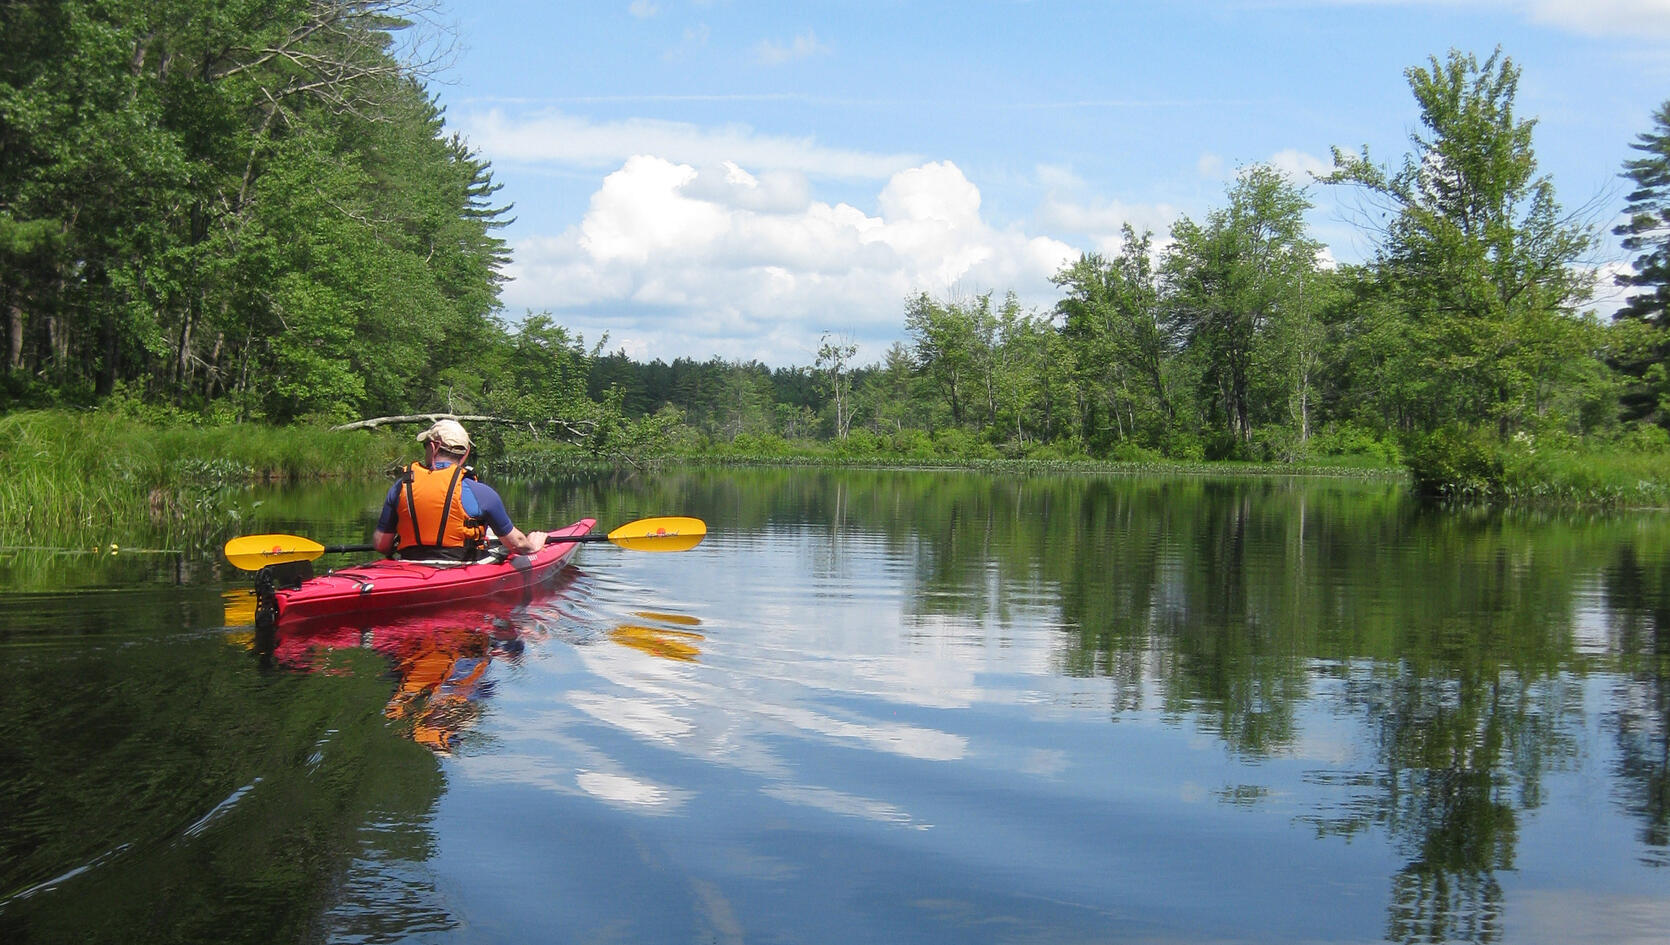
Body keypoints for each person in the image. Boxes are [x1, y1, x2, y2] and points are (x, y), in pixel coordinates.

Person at [372, 419, 547, 560]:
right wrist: (533, 545)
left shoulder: (401, 486)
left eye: (425, 445)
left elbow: (381, 545)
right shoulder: (482, 493)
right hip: (459, 565)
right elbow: (517, 544)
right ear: (465, 454)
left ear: (433, 447)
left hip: (408, 565)